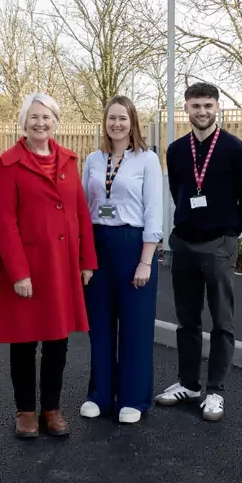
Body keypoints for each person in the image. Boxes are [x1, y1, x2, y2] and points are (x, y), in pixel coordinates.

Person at [0, 92, 96, 439]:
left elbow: (81, 212)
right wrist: (18, 272)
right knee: (24, 341)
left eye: (46, 117)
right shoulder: (8, 163)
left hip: (62, 265)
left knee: (57, 340)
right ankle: (25, 411)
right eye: (34, 117)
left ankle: (51, 408)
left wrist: (87, 261)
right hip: (28, 267)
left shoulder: (68, 160)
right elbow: (4, 221)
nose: (40, 123)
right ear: (24, 122)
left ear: (55, 122)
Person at [155, 81, 242, 422]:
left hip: (219, 246)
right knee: (186, 320)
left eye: (208, 106)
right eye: (196, 105)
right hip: (184, 243)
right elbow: (178, 191)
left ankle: (215, 390)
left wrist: (228, 233)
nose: (202, 112)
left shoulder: (234, 149)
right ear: (186, 108)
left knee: (221, 322)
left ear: (217, 108)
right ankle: (188, 384)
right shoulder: (175, 150)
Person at [80, 95, 162, 425]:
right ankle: (100, 395)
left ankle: (132, 398)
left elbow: (154, 211)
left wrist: (146, 260)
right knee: (100, 325)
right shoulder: (93, 159)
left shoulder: (147, 160)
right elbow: (83, 209)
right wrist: (84, 256)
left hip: (133, 245)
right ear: (104, 122)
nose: (116, 124)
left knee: (135, 326)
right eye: (111, 118)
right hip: (98, 244)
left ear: (132, 123)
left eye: (123, 118)